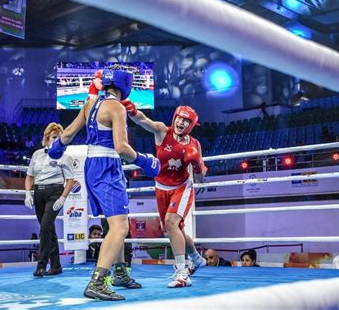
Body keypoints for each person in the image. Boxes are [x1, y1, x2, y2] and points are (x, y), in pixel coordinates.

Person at [48, 68, 160, 301]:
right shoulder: (116, 107)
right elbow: (121, 148)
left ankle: (118, 272)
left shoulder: (90, 104)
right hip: (107, 166)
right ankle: (98, 282)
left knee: (116, 221)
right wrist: (145, 160)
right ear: (125, 86)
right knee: (120, 227)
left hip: (92, 166)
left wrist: (56, 147)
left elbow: (68, 133)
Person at [120, 101, 207, 288]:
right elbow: (143, 120)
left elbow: (201, 177)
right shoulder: (162, 131)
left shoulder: (195, 144)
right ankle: (196, 258)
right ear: (174, 118)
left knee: (171, 222)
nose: (181, 123)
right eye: (180, 118)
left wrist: (198, 165)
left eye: (186, 121)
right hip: (161, 188)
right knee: (175, 229)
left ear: (191, 125)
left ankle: (182, 272)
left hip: (182, 188)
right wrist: (131, 109)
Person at [24, 122, 76, 277]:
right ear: (46, 138)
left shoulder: (65, 157)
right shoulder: (37, 154)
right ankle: (56, 266)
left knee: (45, 228)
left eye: (59, 138)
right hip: (38, 192)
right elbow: (29, 176)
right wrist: (27, 192)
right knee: (49, 230)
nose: (56, 140)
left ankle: (41, 265)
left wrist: (63, 197)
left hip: (55, 192)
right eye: (54, 137)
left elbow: (70, 180)